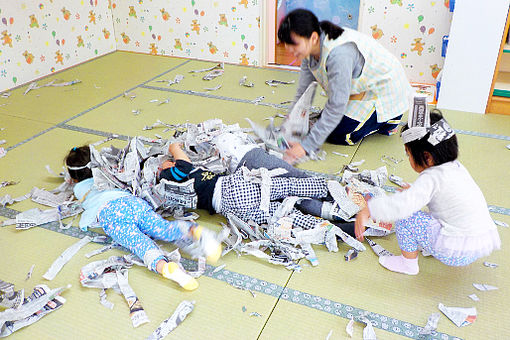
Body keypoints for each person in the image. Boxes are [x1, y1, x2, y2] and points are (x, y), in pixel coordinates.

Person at [354, 111, 501, 275]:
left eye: (408, 154)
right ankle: (431, 244)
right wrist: (414, 191)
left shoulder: (430, 179)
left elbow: (400, 207)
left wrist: (368, 210)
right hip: (478, 244)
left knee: (406, 217)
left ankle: (407, 264)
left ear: (427, 157)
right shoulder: (455, 167)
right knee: (422, 212)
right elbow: (445, 197)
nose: (408, 158)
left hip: (455, 252)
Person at [65, 146, 222, 291]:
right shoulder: (110, 175)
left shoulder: (79, 188)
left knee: (139, 243)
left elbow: (81, 192)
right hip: (133, 203)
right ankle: (195, 231)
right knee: (162, 228)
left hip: (110, 214)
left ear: (74, 178)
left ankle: (167, 268)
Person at [277, 9, 412, 164]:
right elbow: (303, 92)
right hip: (359, 89)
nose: (290, 50)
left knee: (338, 134)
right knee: (323, 124)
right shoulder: (308, 51)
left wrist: (305, 146)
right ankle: (363, 110)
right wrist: (289, 125)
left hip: (384, 91)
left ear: (313, 37)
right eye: (287, 45)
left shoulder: (338, 55)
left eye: (294, 45)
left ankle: (389, 121)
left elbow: (336, 106)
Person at [158, 142, 357, 234]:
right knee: (288, 185)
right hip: (233, 189)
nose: (165, 164)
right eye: (163, 165)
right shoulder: (171, 177)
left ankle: (337, 230)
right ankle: (333, 193)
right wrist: (174, 148)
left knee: (284, 217)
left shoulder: (183, 184)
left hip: (232, 210)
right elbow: (183, 164)